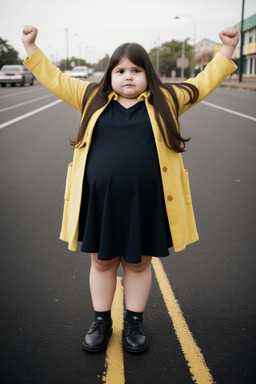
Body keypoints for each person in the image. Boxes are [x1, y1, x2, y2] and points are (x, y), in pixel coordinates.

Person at [22, 25, 239, 353]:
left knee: (139, 264)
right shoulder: (90, 97)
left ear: (148, 74)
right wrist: (30, 46)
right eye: (120, 70)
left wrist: (228, 51)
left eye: (136, 70)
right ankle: (101, 320)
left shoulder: (166, 99)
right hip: (101, 201)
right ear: (110, 74)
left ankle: (134, 321)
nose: (128, 77)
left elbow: (203, 82)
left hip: (146, 201)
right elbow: (55, 77)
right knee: (102, 262)